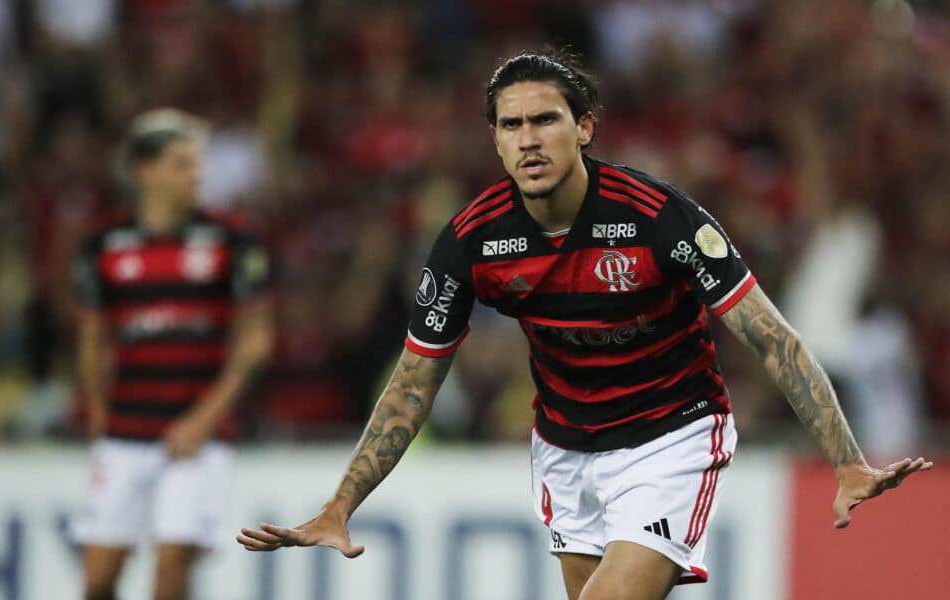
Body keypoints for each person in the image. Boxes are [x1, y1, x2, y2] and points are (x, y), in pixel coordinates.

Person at [236, 51, 932, 600]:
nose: (528, 140)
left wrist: (844, 459)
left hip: (671, 437)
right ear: (495, 141)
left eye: (545, 120)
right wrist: (341, 502)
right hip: (566, 450)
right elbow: (412, 385)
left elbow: (771, 336)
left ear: (585, 127)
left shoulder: (657, 216)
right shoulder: (472, 241)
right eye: (511, 125)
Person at [70, 109, 272, 600]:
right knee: (98, 578)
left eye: (197, 163)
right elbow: (92, 341)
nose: (197, 174)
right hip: (126, 431)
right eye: (182, 164)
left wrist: (204, 420)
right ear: (146, 171)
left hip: (198, 438)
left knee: (171, 566)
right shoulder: (103, 246)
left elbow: (255, 342)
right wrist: (100, 415)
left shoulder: (231, 240)